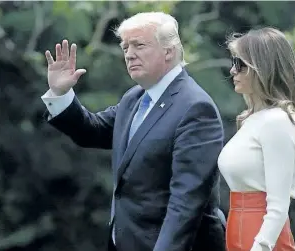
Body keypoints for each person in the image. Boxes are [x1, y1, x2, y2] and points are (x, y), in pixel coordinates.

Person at [41, 12, 226, 251]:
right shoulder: (135, 97)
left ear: (169, 51)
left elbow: (186, 203)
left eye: (139, 45)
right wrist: (60, 93)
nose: (129, 53)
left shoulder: (195, 108)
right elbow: (93, 131)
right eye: (125, 46)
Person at [217, 27, 295, 251]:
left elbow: (278, 206)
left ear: (262, 68)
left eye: (240, 64)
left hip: (262, 234)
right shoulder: (254, 119)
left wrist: (261, 246)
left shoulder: (277, 121)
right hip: (240, 226)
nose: (233, 70)